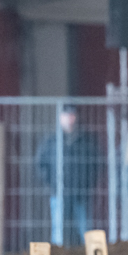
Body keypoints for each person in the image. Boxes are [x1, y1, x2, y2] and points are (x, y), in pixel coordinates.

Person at [36, 105, 102, 245]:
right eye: (66, 115)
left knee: (85, 229)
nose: (69, 119)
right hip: (59, 193)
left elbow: (95, 164)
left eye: (72, 115)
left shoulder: (86, 141)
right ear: (60, 118)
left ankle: (88, 254)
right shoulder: (51, 141)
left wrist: (86, 184)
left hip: (81, 193)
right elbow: (41, 164)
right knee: (58, 230)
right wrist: (53, 184)